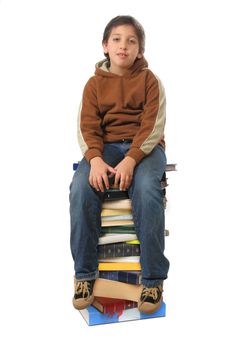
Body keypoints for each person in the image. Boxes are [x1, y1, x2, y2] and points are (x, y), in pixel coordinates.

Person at [69, 15, 169, 314]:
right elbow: (87, 127)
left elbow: (153, 126)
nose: (123, 45)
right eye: (116, 39)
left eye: (131, 41)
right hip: (106, 148)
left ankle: (152, 279)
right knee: (80, 189)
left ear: (140, 50)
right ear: (105, 46)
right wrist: (95, 159)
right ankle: (84, 276)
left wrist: (131, 160)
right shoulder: (93, 85)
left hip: (145, 147)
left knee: (148, 190)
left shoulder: (150, 81)